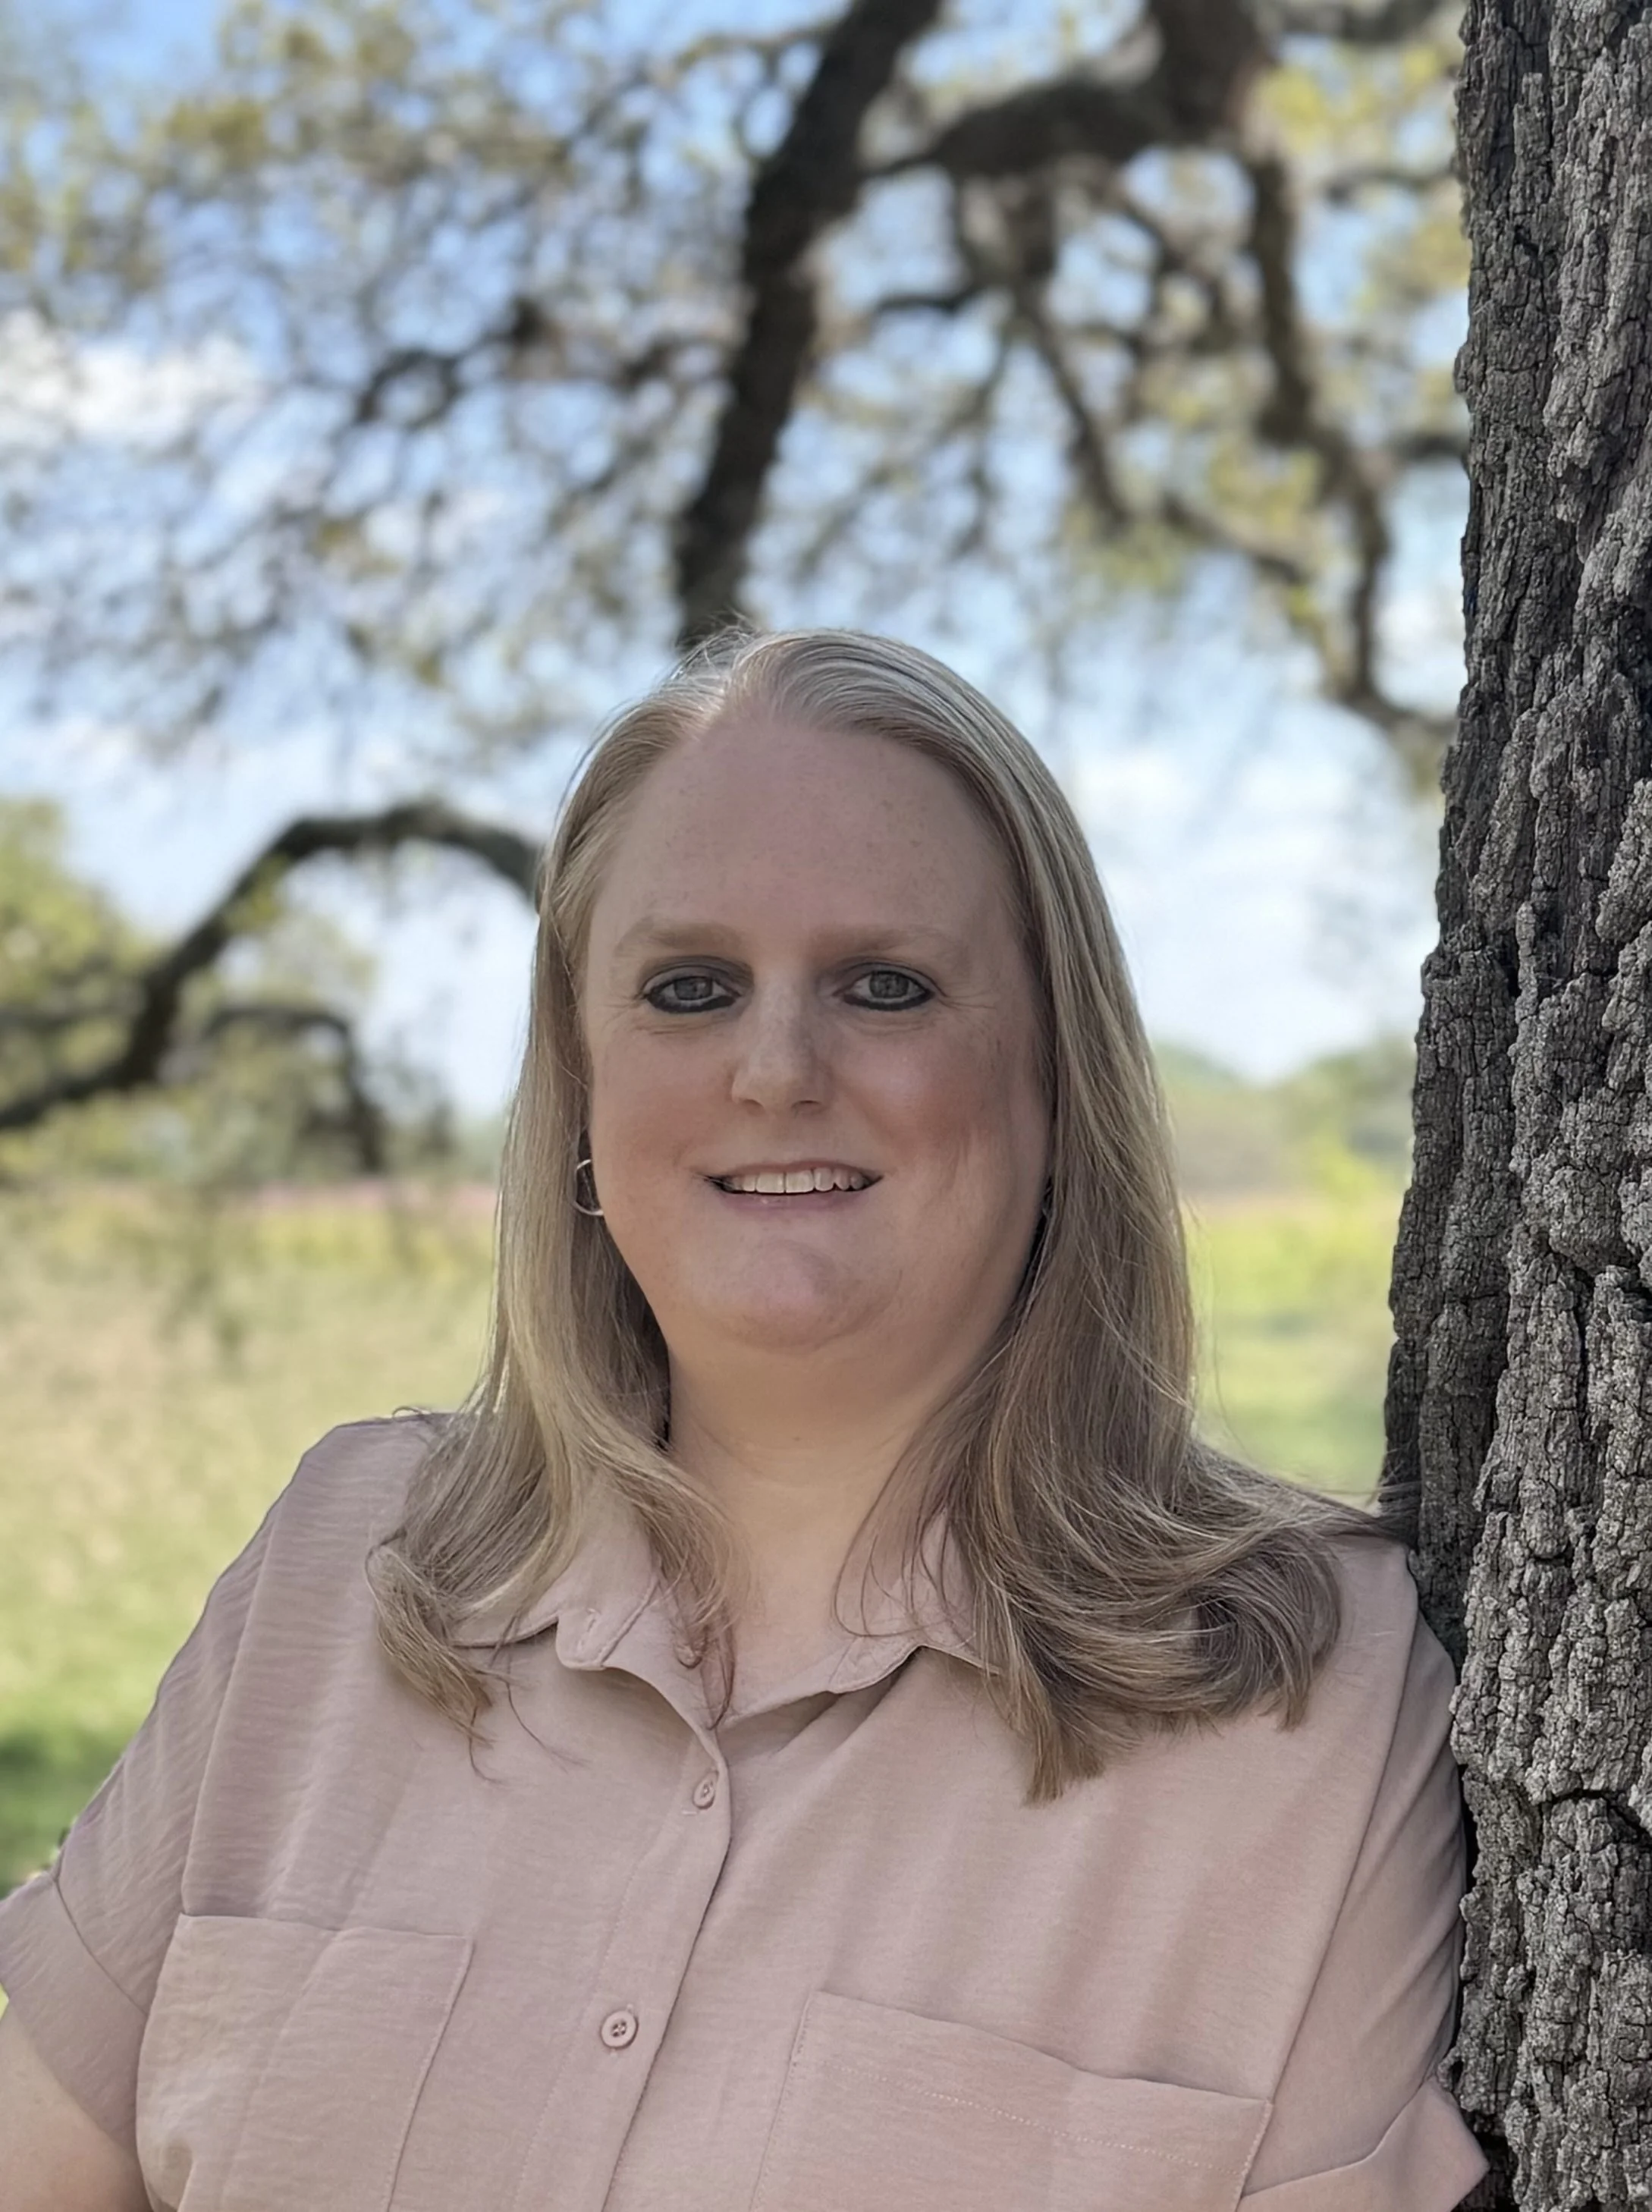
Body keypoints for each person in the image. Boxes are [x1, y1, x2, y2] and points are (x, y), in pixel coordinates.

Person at [0, 629, 1487, 2211]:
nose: (776, 1068)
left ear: (1057, 1087)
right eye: (689, 989)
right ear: (578, 1087)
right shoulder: (343, 1565)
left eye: (887, 986)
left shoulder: (1310, 1697)